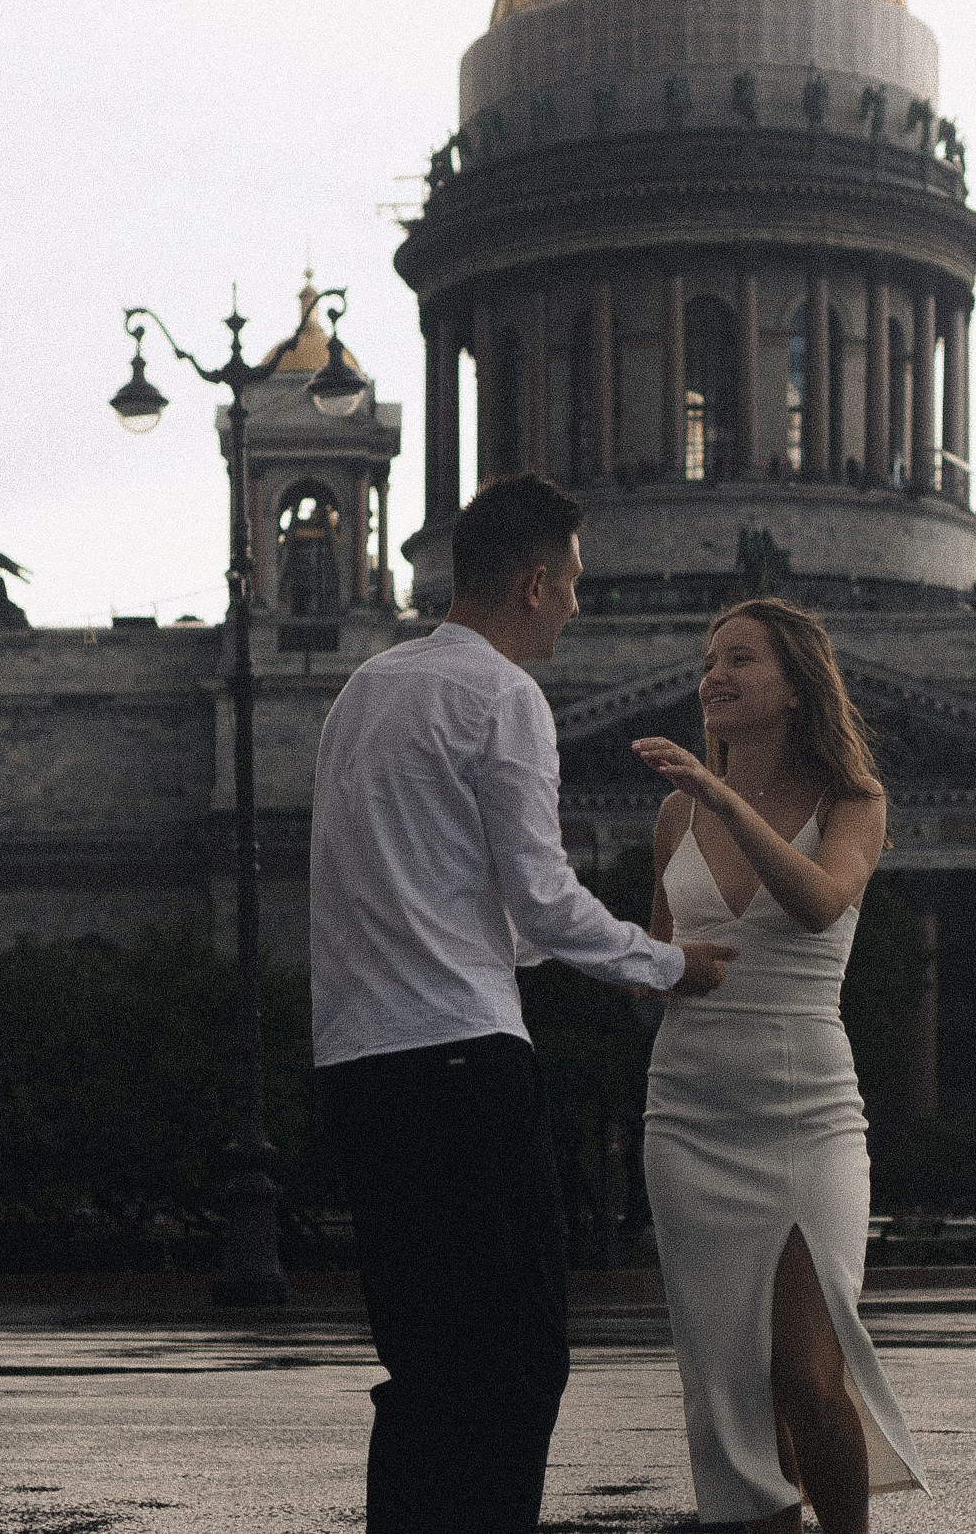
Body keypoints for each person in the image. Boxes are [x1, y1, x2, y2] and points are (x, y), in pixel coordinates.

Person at [309, 473, 735, 1533]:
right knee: (517, 1360)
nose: (580, 606)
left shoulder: (363, 690)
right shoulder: (501, 697)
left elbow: (428, 891)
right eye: (577, 584)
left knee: (421, 1364)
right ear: (537, 582)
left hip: (359, 1064)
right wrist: (673, 964)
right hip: (461, 1058)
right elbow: (541, 904)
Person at [631, 597, 926, 1533]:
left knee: (808, 1367)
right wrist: (622, 957)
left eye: (741, 661)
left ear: (795, 688)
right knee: (729, 1388)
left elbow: (819, 901)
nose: (714, 675)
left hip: (808, 1110)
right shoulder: (673, 813)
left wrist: (723, 797)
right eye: (709, 658)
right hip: (689, 1114)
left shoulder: (855, 803)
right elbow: (660, 960)